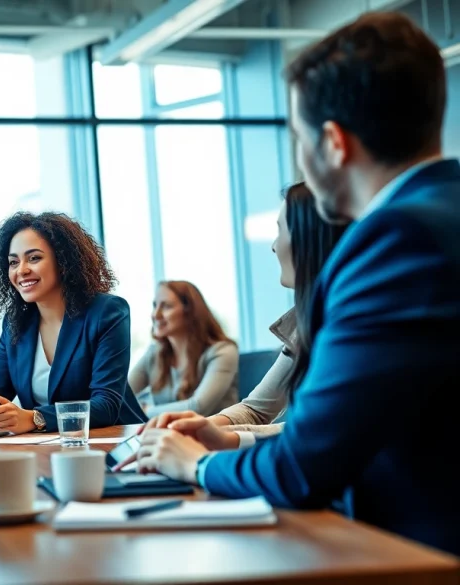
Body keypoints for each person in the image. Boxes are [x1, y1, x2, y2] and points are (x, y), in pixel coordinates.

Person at [129, 12, 460, 556]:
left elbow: (307, 465)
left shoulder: (397, 240)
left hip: (412, 553)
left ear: (333, 143)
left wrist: (201, 464)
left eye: (300, 140)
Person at [0, 211, 144, 435]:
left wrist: (37, 418)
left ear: (63, 261)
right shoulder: (16, 324)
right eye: (13, 262)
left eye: (34, 258)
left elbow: (106, 405)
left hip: (117, 446)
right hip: (50, 448)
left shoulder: (107, 312)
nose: (21, 270)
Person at [208, 182, 349, 445]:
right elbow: (255, 410)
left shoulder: (350, 323)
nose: (274, 246)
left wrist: (220, 437)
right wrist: (197, 426)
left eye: (280, 230)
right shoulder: (305, 321)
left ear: (307, 239)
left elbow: (320, 430)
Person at [127, 281, 239, 417]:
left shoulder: (223, 351)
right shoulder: (154, 353)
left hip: (216, 435)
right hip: (167, 434)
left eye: (166, 306)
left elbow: (197, 408)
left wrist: (146, 411)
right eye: (155, 305)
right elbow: (120, 397)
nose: (155, 314)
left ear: (190, 312)